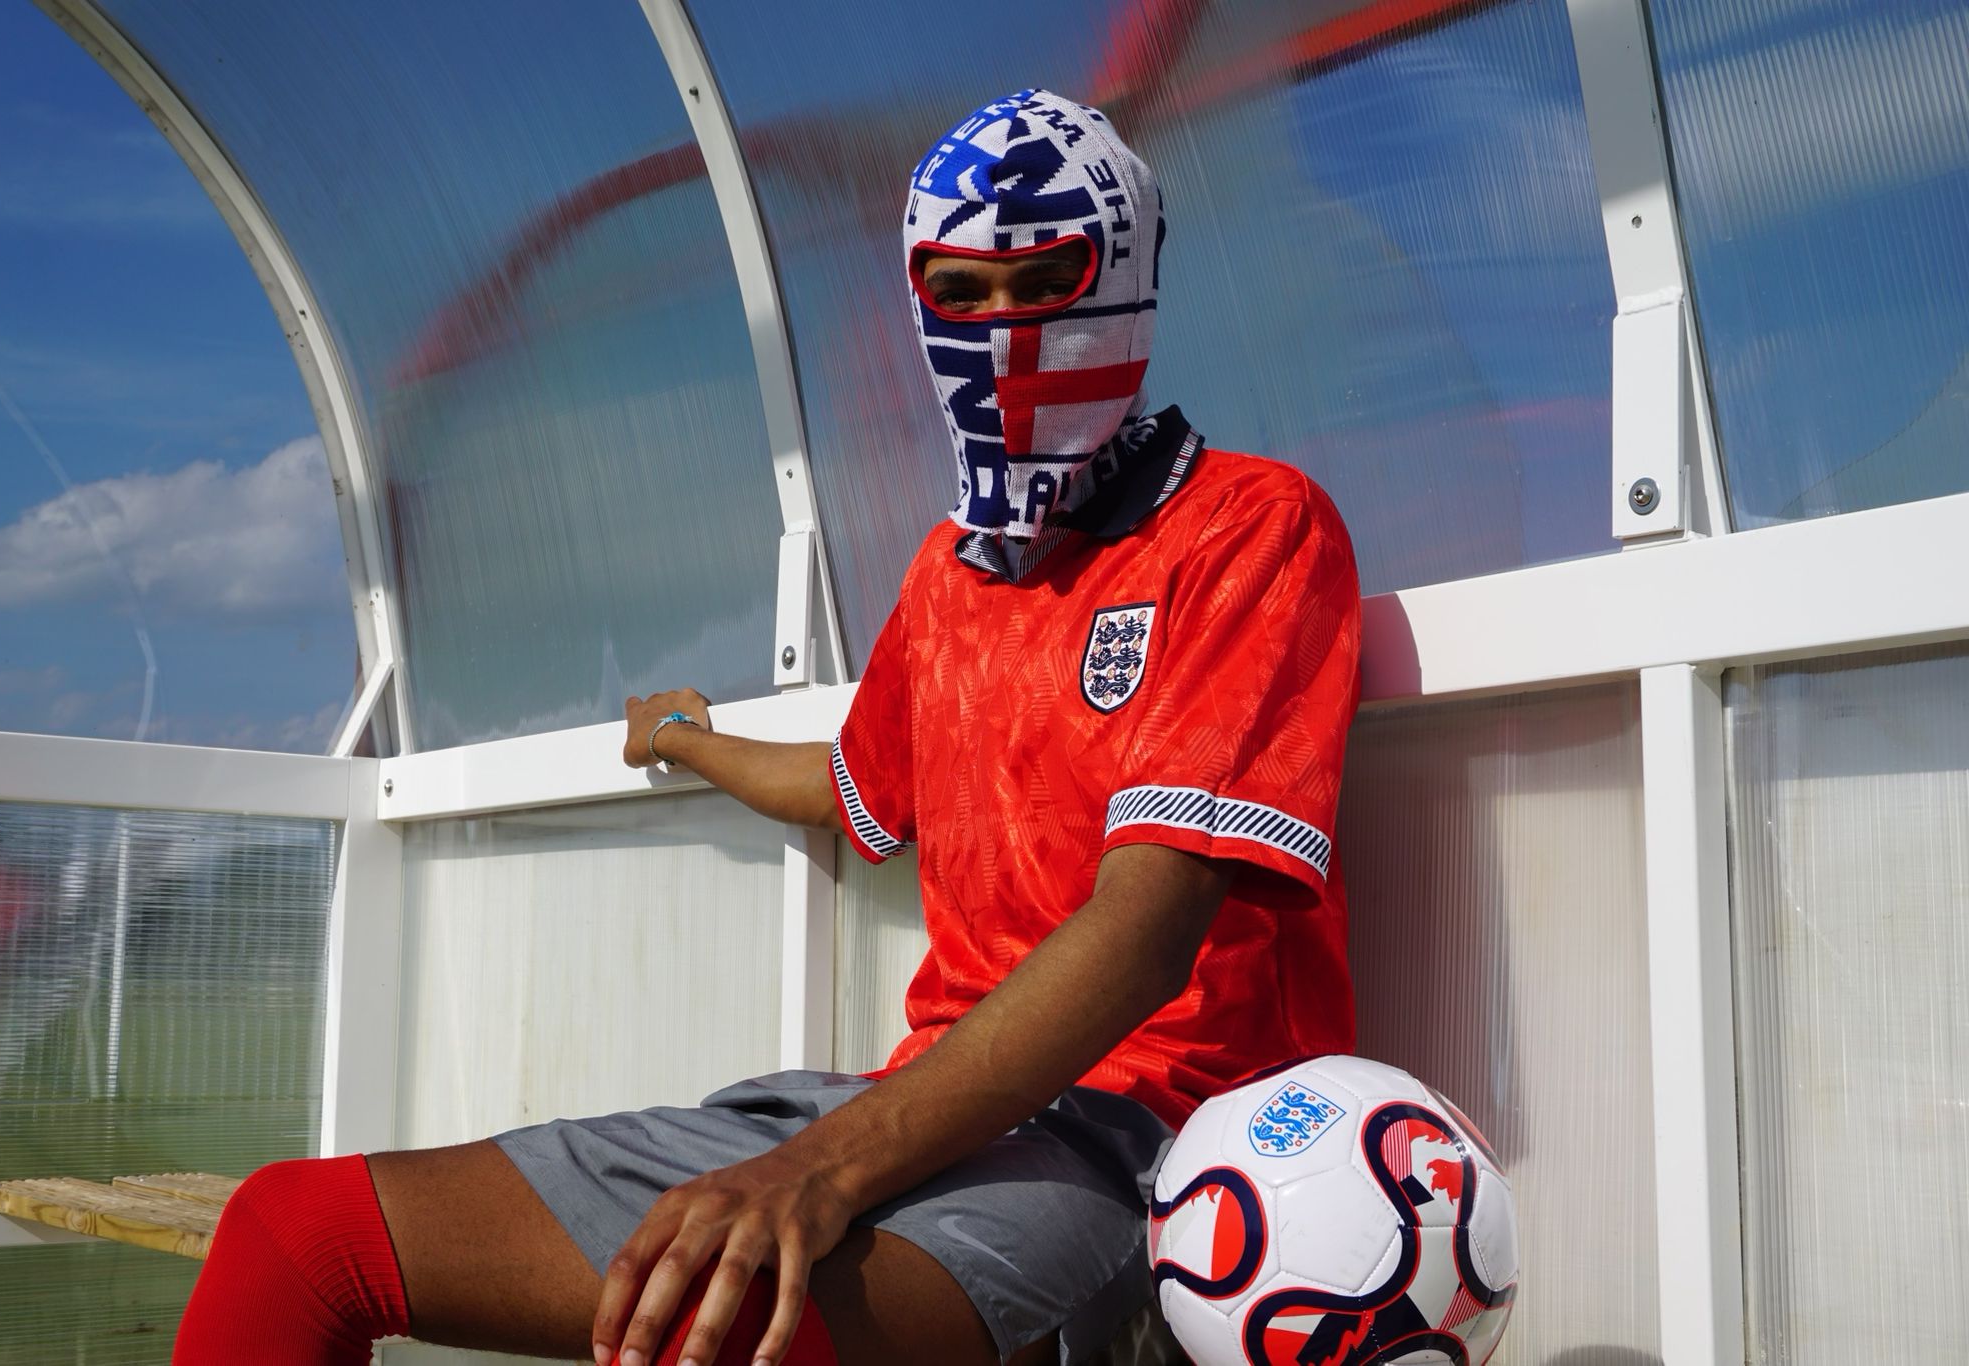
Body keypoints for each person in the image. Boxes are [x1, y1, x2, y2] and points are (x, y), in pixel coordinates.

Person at [172, 88, 1360, 1366]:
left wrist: (819, 1170)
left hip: (1135, 1137)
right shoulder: (949, 577)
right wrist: (685, 738)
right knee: (293, 1233)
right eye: (960, 291)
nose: (1004, 328)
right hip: (904, 1100)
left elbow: (1145, 932)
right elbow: (856, 787)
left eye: (1045, 281)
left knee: (731, 1325)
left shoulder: (1247, 527)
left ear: (1126, 275)